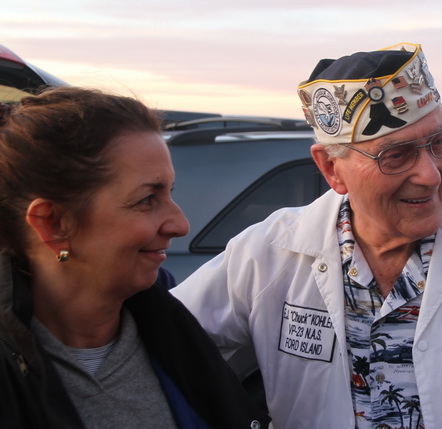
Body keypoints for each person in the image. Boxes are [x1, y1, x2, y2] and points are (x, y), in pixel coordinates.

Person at [171, 43, 442, 428]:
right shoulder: (268, 253)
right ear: (332, 169)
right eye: (396, 155)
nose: (430, 175)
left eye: (439, 143)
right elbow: (161, 343)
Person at [0, 87, 270, 429]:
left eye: (170, 193)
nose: (180, 225)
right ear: (53, 223)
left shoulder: (176, 335)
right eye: (146, 200)